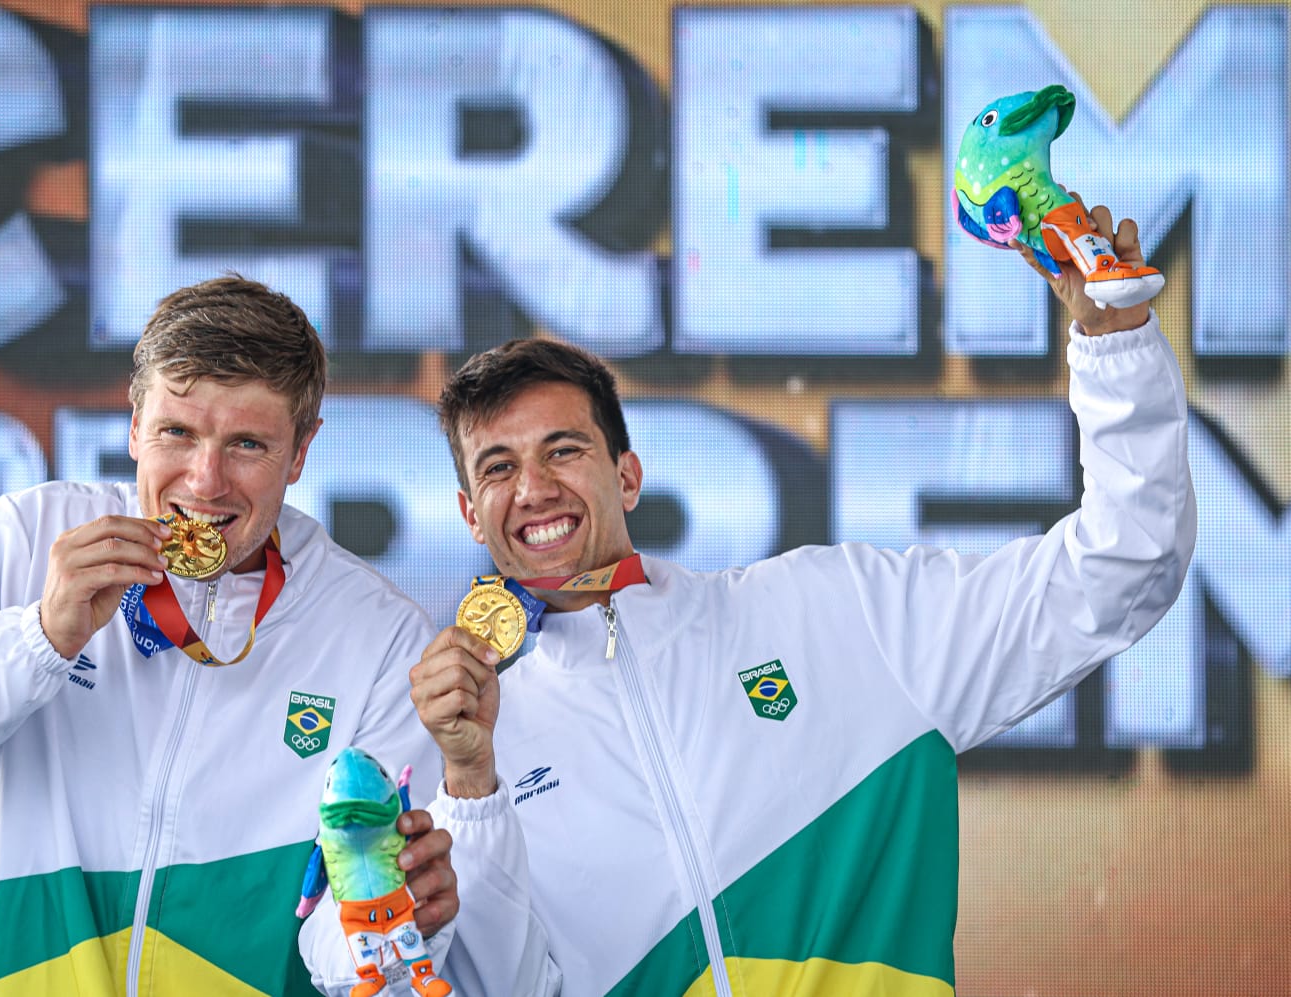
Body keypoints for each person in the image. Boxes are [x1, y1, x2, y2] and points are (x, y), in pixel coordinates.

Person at [410, 206, 1196, 995]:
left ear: (627, 475)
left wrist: (1114, 341)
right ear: (470, 513)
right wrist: (472, 779)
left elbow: (1123, 563)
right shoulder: (466, 748)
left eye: (564, 449)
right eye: (498, 468)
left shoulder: (835, 614)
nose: (535, 488)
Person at [0, 276, 457, 997]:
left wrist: (389, 927)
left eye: (246, 443)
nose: (205, 481)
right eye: (178, 432)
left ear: (300, 452)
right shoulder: (34, 537)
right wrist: (37, 639)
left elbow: (355, 953)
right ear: (135, 422)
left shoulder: (379, 634)